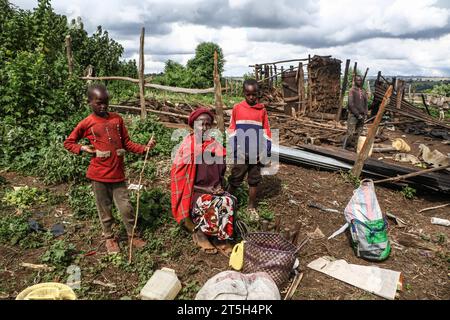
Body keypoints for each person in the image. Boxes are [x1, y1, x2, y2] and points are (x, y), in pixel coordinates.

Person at [64, 84, 156, 254]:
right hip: (98, 175)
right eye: (99, 103)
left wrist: (144, 148)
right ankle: (110, 238)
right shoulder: (87, 123)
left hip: (118, 174)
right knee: (104, 209)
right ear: (89, 102)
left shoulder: (117, 119)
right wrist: (84, 148)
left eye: (106, 102)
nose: (103, 106)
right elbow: (69, 142)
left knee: (126, 207)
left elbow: (127, 143)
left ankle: (132, 235)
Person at [171, 108, 236, 254]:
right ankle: (200, 234)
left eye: (208, 124)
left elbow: (220, 173)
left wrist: (218, 187)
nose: (205, 128)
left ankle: (220, 238)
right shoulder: (188, 147)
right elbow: (180, 180)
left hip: (212, 189)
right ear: (193, 125)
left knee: (228, 200)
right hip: (194, 193)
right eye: (202, 124)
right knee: (209, 202)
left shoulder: (215, 146)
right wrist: (206, 190)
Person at [227, 79, 272, 220]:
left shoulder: (261, 111)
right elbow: (232, 131)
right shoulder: (237, 109)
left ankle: (251, 207)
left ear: (258, 94)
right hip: (240, 152)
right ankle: (226, 204)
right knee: (235, 178)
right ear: (244, 93)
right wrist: (236, 150)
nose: (251, 97)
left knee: (254, 180)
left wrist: (265, 152)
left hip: (256, 153)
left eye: (254, 94)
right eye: (248, 94)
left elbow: (267, 133)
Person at [343, 75, 368, 151]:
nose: (359, 82)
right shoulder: (352, 90)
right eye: (358, 80)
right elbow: (350, 104)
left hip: (362, 116)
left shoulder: (363, 91)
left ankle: (355, 149)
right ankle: (344, 149)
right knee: (350, 133)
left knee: (359, 134)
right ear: (355, 81)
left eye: (360, 80)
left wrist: (365, 113)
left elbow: (366, 103)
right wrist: (357, 114)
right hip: (353, 115)